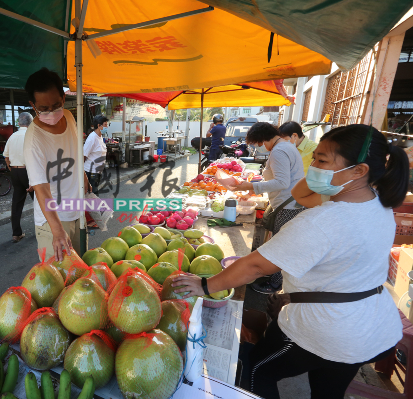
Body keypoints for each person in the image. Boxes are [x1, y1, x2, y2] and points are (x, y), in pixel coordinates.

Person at [173, 124, 408, 399]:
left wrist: (204, 285)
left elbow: (255, 266)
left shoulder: (323, 221)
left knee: (256, 370)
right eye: (315, 157)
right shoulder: (375, 202)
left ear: (359, 170)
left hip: (326, 328)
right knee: (327, 392)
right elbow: (300, 195)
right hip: (367, 324)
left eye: (321, 161)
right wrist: (321, 172)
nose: (313, 167)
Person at [219, 122, 304, 294]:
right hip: (290, 201)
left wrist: (249, 187)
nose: (259, 147)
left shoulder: (279, 151)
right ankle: (273, 277)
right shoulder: (286, 146)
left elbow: (282, 182)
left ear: (264, 138)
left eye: (259, 143)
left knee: (282, 245)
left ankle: (275, 283)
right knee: (282, 243)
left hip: (288, 206)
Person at [23, 68, 91, 261]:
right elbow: (41, 189)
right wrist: (57, 230)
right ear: (33, 105)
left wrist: (84, 179)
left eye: (56, 105)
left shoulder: (69, 117)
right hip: (53, 221)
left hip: (76, 210)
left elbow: (76, 152)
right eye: (43, 109)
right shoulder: (34, 139)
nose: (51, 112)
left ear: (63, 97)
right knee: (60, 282)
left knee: (82, 277)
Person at [3, 112, 34, 243]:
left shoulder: (12, 136)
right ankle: (44, 229)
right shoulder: (31, 135)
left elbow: (6, 157)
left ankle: (16, 233)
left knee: (17, 203)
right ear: (30, 122)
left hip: (15, 172)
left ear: (19, 122)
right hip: (28, 172)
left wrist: (12, 169)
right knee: (39, 201)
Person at [84, 116, 108, 195]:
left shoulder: (100, 137)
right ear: (98, 125)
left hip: (97, 171)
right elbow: (83, 155)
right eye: (105, 125)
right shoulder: (92, 138)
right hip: (91, 171)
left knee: (93, 194)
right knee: (93, 194)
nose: (106, 127)